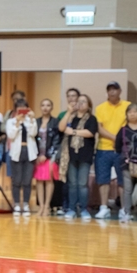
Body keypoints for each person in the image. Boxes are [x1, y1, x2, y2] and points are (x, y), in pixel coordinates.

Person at [94, 81, 130, 219]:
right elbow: (99, 128)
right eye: (109, 89)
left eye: (115, 89)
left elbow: (130, 125)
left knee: (123, 180)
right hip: (103, 148)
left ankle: (124, 209)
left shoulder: (127, 106)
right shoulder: (100, 108)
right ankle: (104, 208)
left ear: (120, 91)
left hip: (123, 149)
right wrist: (116, 138)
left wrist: (120, 141)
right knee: (103, 179)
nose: (112, 92)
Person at [58, 94, 98, 220]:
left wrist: (74, 132)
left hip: (85, 155)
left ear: (89, 105)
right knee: (72, 184)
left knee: (82, 184)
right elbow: (61, 127)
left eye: (84, 101)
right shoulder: (72, 118)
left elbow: (90, 132)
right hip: (71, 156)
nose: (80, 103)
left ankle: (84, 209)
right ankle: (71, 209)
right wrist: (69, 112)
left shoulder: (91, 119)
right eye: (79, 101)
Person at [115, 104, 137, 224]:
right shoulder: (123, 130)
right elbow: (117, 146)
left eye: (135, 112)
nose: (132, 114)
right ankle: (127, 213)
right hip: (127, 164)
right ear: (126, 115)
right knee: (127, 190)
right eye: (129, 112)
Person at [6, 99, 38, 215]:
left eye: (24, 108)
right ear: (15, 110)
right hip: (16, 152)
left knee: (27, 181)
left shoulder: (31, 120)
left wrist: (32, 119)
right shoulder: (11, 121)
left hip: (30, 152)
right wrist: (17, 123)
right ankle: (16, 204)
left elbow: (34, 133)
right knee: (17, 180)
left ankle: (25, 204)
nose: (22, 111)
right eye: (19, 108)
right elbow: (11, 135)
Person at [55, 87, 81, 215]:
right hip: (65, 149)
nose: (71, 98)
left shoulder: (82, 113)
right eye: (69, 96)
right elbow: (60, 130)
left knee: (78, 180)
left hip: (79, 149)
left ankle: (78, 205)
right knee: (65, 179)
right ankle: (65, 205)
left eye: (73, 96)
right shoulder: (62, 115)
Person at [34, 99, 61, 217]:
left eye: (48, 105)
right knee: (39, 180)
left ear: (52, 107)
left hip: (50, 156)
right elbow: (33, 139)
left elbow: (57, 140)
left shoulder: (55, 122)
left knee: (49, 179)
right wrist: (37, 155)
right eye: (43, 105)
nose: (45, 108)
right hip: (38, 155)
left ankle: (47, 206)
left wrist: (47, 155)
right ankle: (41, 206)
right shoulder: (36, 122)